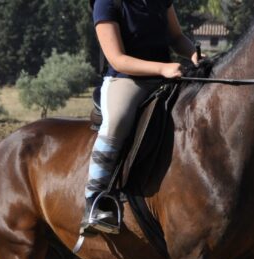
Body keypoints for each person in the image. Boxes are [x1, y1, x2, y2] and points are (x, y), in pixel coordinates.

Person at [81, 0, 201, 235]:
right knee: (117, 123)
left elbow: (177, 37)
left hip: (167, 77)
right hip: (126, 80)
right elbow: (117, 59)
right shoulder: (106, 3)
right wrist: (162, 69)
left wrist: (195, 55)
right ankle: (94, 200)